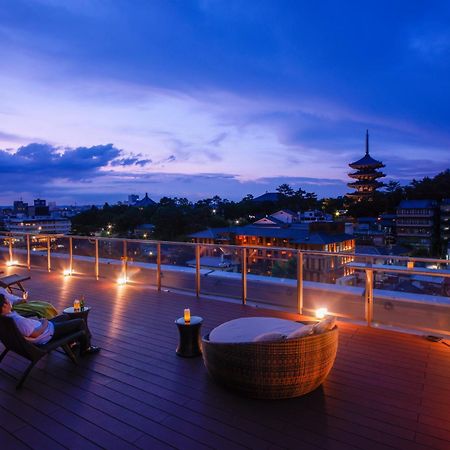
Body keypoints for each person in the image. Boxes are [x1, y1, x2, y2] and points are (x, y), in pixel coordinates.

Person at [0, 294, 100, 354]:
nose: (9, 302)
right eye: (7, 301)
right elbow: (35, 334)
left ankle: (72, 344)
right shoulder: (15, 321)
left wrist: (42, 323)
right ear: (4, 306)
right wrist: (44, 322)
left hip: (44, 329)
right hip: (47, 334)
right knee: (80, 322)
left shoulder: (6, 319)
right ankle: (86, 348)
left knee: (66, 317)